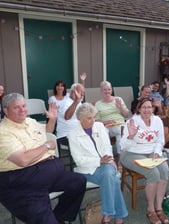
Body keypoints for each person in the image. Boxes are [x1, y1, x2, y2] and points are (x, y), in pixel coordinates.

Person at [0, 93, 86, 224]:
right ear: (5, 110)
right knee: (41, 216)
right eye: (16, 107)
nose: (22, 110)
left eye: (23, 106)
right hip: (24, 179)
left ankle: (60, 217)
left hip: (47, 174)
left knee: (78, 181)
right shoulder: (3, 132)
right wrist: (46, 146)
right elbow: (23, 160)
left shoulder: (30, 121)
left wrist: (52, 119)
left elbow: (46, 132)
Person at [68, 103, 128, 224]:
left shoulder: (100, 127)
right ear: (80, 118)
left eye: (94, 117)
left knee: (107, 174)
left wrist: (109, 159)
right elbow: (78, 160)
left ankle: (108, 214)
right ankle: (118, 215)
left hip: (107, 164)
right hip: (87, 169)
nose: (93, 120)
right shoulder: (73, 134)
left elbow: (107, 146)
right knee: (113, 180)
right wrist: (99, 161)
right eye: (89, 118)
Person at [120, 98, 169, 224]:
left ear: (153, 108)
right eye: (144, 107)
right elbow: (123, 146)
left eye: (149, 107)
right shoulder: (132, 121)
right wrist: (131, 135)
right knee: (153, 173)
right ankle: (150, 209)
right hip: (131, 153)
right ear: (139, 109)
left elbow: (160, 140)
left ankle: (159, 207)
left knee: (164, 170)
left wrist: (157, 152)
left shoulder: (157, 120)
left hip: (151, 153)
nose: (147, 110)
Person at [95, 81, 130, 155]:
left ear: (111, 90)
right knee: (103, 133)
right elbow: (96, 120)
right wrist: (106, 122)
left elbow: (126, 115)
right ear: (101, 91)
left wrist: (120, 108)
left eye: (109, 89)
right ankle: (109, 155)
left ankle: (121, 157)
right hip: (106, 126)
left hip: (119, 124)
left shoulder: (118, 99)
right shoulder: (98, 104)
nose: (107, 91)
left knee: (120, 131)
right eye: (105, 89)